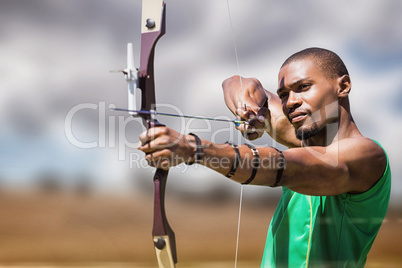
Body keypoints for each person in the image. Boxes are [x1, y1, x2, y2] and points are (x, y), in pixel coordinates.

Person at [137, 47, 391, 267]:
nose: (291, 102)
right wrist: (247, 107)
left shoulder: (367, 156)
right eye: (284, 95)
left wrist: (193, 148)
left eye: (303, 87)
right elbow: (237, 82)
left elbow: (284, 167)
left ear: (343, 86)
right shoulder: (300, 136)